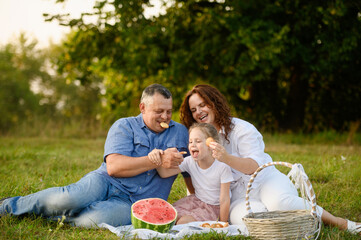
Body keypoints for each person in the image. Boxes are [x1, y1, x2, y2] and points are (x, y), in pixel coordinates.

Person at [179, 84, 361, 235]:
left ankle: (339, 222)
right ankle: (296, 227)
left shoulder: (242, 129)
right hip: (235, 195)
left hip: (264, 179)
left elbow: (253, 167)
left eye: (203, 105)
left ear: (214, 103)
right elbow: (193, 169)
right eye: (193, 109)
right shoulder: (197, 139)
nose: (198, 112)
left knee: (280, 203)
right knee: (252, 221)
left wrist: (226, 158)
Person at [0, 83, 189, 228]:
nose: (165, 117)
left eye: (169, 111)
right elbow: (114, 168)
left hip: (137, 202)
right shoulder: (124, 126)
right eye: (159, 111)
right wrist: (154, 160)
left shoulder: (180, 133)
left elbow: (185, 167)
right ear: (142, 108)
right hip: (106, 181)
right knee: (68, 199)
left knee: (94, 220)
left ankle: (44, 214)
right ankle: (8, 206)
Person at [149, 122, 233, 224]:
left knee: (182, 223)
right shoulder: (190, 161)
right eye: (190, 141)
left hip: (212, 207)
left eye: (198, 141)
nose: (192, 145)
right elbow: (164, 173)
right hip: (195, 201)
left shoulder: (222, 167)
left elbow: (224, 199)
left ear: (211, 145)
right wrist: (157, 156)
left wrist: (223, 224)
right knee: (167, 215)